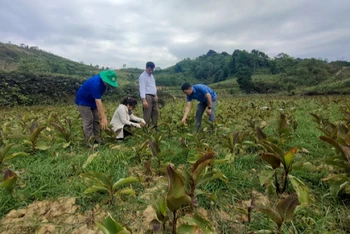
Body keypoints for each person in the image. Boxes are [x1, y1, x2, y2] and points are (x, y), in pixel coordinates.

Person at [75, 70, 118, 147]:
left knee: (96, 119)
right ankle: (89, 142)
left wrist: (101, 117)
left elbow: (97, 100)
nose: (109, 85)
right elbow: (98, 102)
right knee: (89, 120)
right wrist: (104, 117)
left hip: (92, 101)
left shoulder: (104, 85)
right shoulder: (96, 83)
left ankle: (97, 140)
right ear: (104, 79)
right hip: (83, 101)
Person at [139, 61, 158, 129]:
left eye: (152, 70)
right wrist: (144, 100)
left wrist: (155, 95)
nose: (151, 71)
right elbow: (142, 88)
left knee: (155, 112)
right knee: (147, 114)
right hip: (147, 97)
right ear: (146, 68)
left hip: (153, 96)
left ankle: (154, 128)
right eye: (150, 69)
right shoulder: (142, 76)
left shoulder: (152, 76)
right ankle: (144, 129)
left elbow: (153, 86)